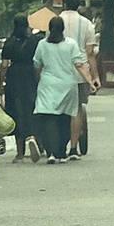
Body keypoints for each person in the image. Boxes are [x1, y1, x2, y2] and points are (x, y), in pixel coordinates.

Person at [29, 13, 85, 162]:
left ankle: (51, 153)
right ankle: (61, 152)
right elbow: (79, 64)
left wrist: (39, 80)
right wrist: (90, 81)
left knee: (48, 119)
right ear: (63, 29)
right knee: (65, 118)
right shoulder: (71, 44)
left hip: (48, 85)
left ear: (49, 28)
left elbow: (37, 65)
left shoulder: (42, 44)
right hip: (68, 85)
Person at [58, 0, 101, 154]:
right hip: (81, 73)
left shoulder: (55, 21)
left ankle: (59, 145)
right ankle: (74, 148)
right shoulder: (87, 24)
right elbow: (90, 53)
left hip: (59, 72)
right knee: (76, 109)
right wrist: (95, 77)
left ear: (63, 4)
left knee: (60, 109)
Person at [0, 11, 42, 163]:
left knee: (16, 112)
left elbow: (4, 65)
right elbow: (38, 63)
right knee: (31, 107)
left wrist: (1, 83)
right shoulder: (34, 41)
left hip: (14, 78)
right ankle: (33, 137)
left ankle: (19, 153)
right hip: (30, 75)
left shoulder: (9, 42)